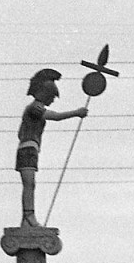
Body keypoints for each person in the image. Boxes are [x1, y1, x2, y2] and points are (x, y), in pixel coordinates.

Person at [16, 68, 88, 227]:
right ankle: (28, 216)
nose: (53, 100)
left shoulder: (34, 108)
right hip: (28, 148)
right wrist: (76, 112)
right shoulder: (34, 108)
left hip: (31, 148)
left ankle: (28, 217)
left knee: (30, 184)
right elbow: (55, 116)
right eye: (52, 96)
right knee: (29, 184)